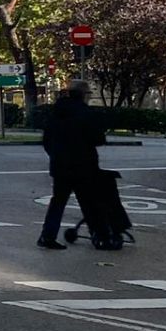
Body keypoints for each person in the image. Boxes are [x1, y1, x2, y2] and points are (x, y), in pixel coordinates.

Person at [38, 80, 101, 250]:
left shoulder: (56, 112)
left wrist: (56, 155)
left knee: (57, 201)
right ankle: (98, 234)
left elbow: (46, 140)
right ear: (83, 95)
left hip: (60, 165)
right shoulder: (85, 113)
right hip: (83, 165)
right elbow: (98, 138)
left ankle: (47, 235)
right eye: (88, 94)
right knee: (88, 202)